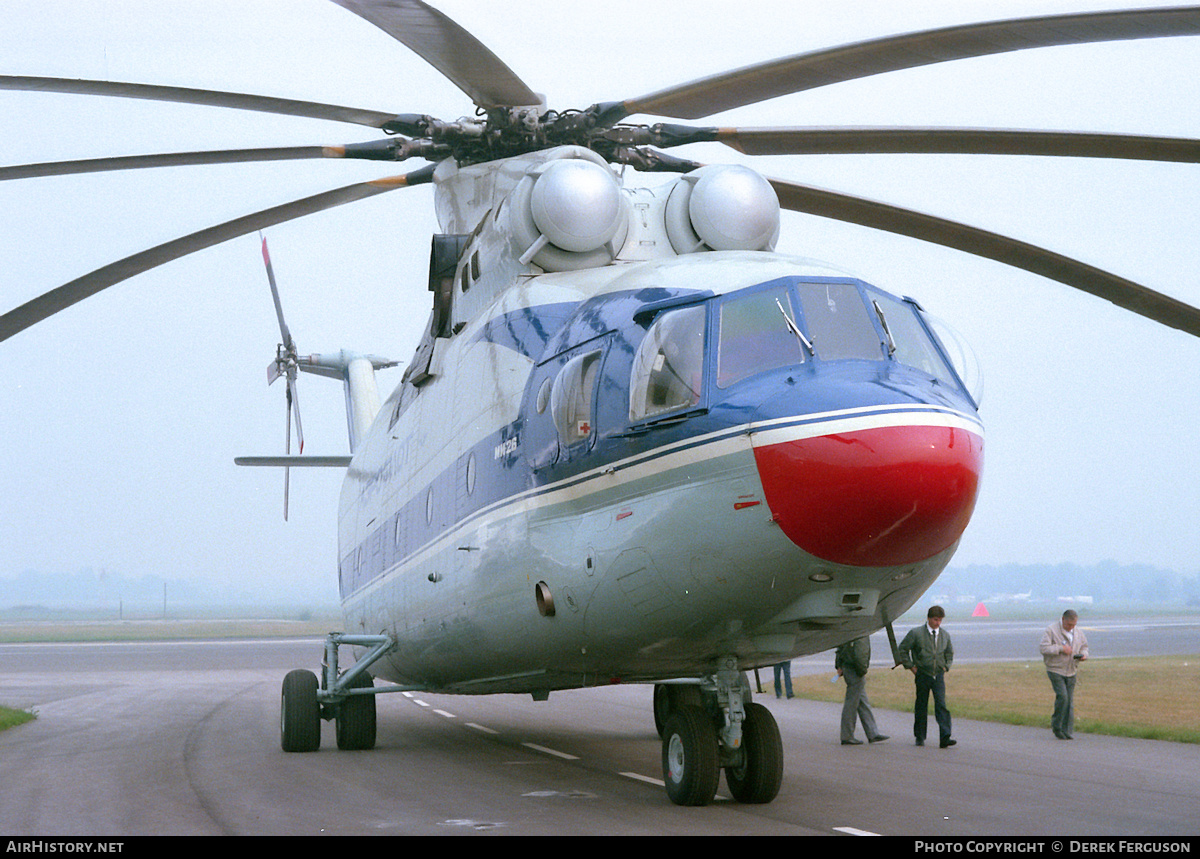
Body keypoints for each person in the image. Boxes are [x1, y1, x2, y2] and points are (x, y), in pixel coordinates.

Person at [898, 605, 956, 748]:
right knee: (921, 705)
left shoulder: (944, 635)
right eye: (936, 619)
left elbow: (949, 653)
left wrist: (946, 666)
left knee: (941, 705)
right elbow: (902, 649)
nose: (938, 623)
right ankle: (920, 736)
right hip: (922, 674)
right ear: (929, 618)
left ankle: (945, 736)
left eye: (940, 620)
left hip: (938, 675)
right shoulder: (916, 633)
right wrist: (911, 666)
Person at [1039, 609, 1089, 739]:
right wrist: (1061, 649)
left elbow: (1084, 646)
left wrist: (1084, 655)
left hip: (1071, 670)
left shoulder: (1078, 632)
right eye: (1069, 625)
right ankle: (1057, 727)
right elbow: (1044, 648)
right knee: (1063, 697)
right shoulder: (1051, 630)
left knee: (1069, 701)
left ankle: (1067, 731)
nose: (1071, 627)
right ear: (1063, 620)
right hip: (1055, 669)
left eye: (1074, 625)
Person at [835, 636, 888, 745]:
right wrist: (862, 670)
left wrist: (839, 665)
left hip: (847, 667)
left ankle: (872, 733)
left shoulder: (850, 629)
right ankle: (847, 736)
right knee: (851, 704)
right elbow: (860, 654)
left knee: (862, 702)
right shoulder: (862, 633)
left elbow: (839, 648)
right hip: (855, 670)